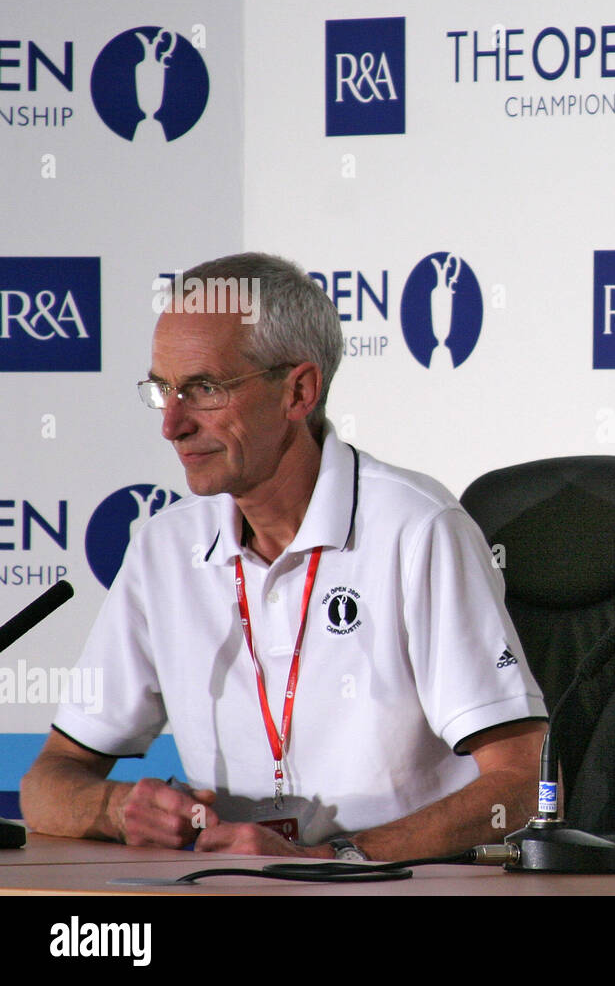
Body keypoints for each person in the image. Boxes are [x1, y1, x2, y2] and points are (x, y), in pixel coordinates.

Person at [20, 252, 547, 861]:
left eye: (204, 389)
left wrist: (336, 860)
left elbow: (522, 784)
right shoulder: (163, 550)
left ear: (298, 390)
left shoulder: (418, 529)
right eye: (163, 390)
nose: (171, 424)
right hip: (231, 887)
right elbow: (46, 783)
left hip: (395, 887)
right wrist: (115, 809)